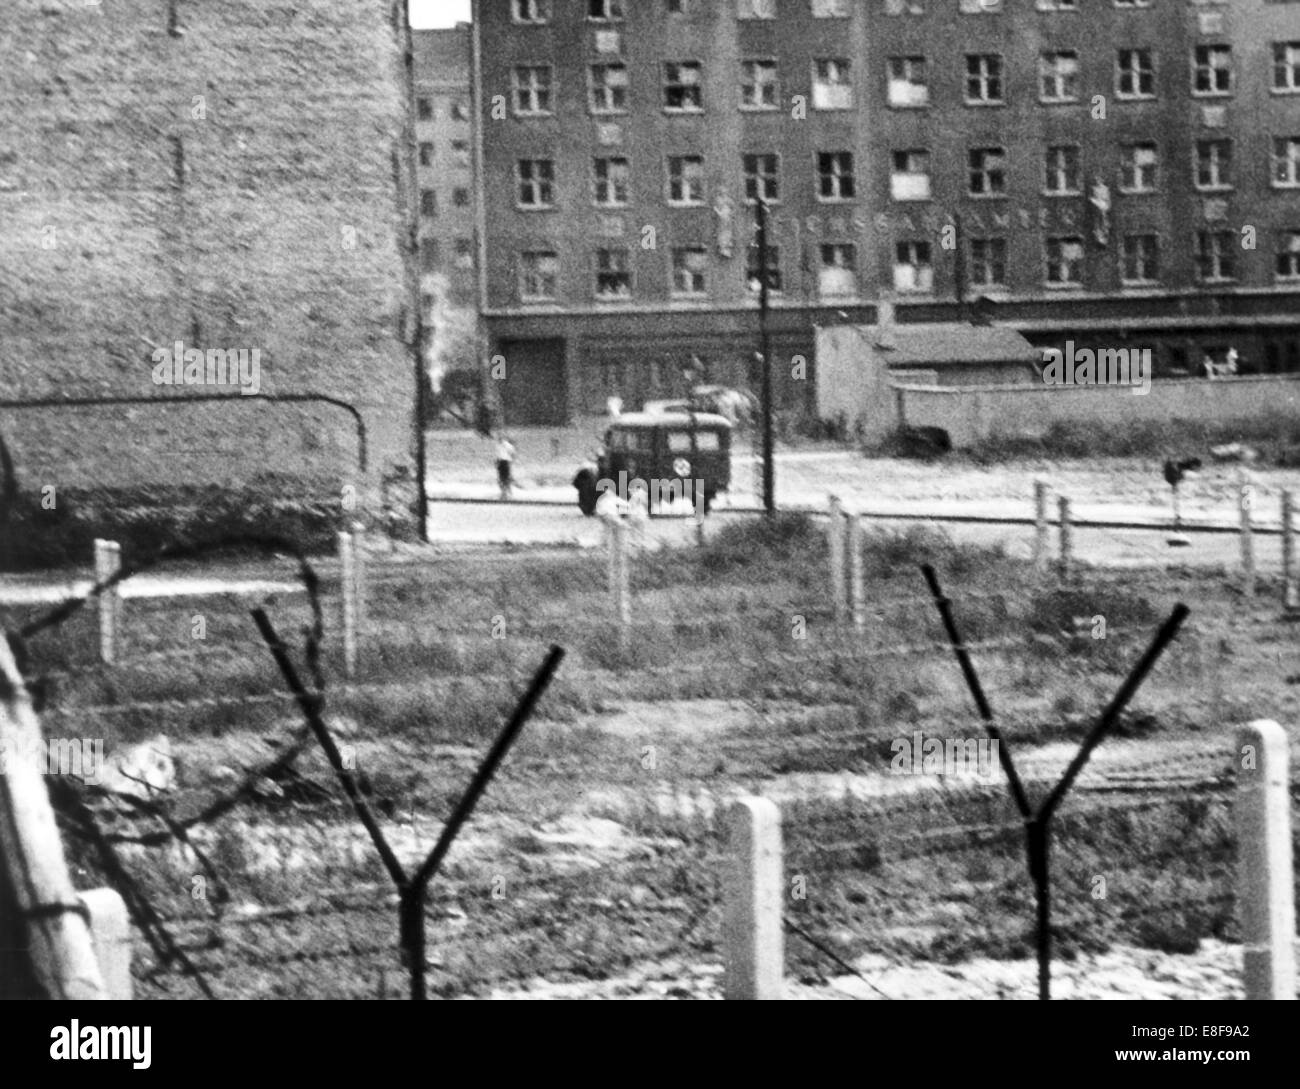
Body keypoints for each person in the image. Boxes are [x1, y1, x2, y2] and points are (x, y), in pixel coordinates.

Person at [495, 435, 516, 500]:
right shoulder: (508, 445)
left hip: (502, 462)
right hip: (505, 462)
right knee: (505, 478)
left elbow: (498, 456)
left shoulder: (500, 445)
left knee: (502, 478)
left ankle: (504, 493)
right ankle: (507, 493)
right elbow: (513, 455)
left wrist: (496, 463)